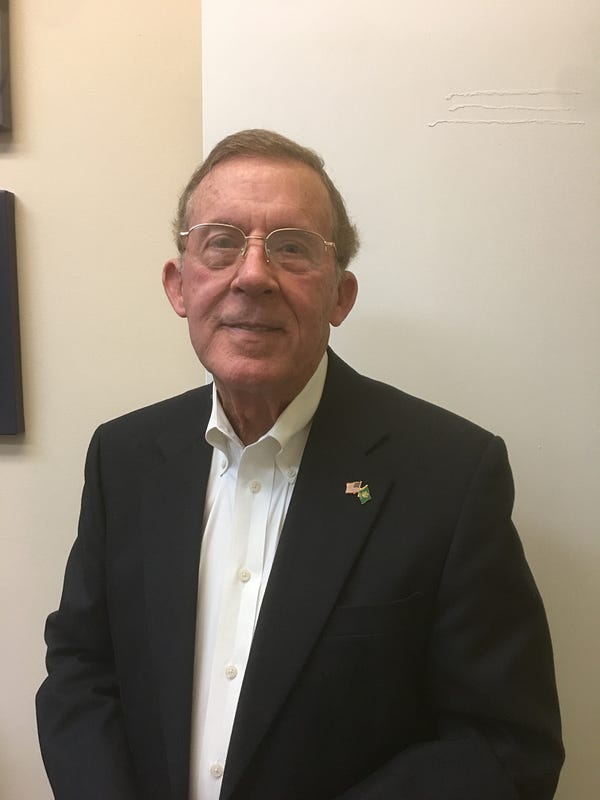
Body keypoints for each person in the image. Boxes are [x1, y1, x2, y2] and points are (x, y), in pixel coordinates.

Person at [36, 129, 564, 800]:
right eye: (221, 242)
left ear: (341, 295)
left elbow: (505, 746)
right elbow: (81, 671)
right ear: (179, 284)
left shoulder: (450, 475)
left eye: (291, 248)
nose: (253, 276)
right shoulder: (123, 457)